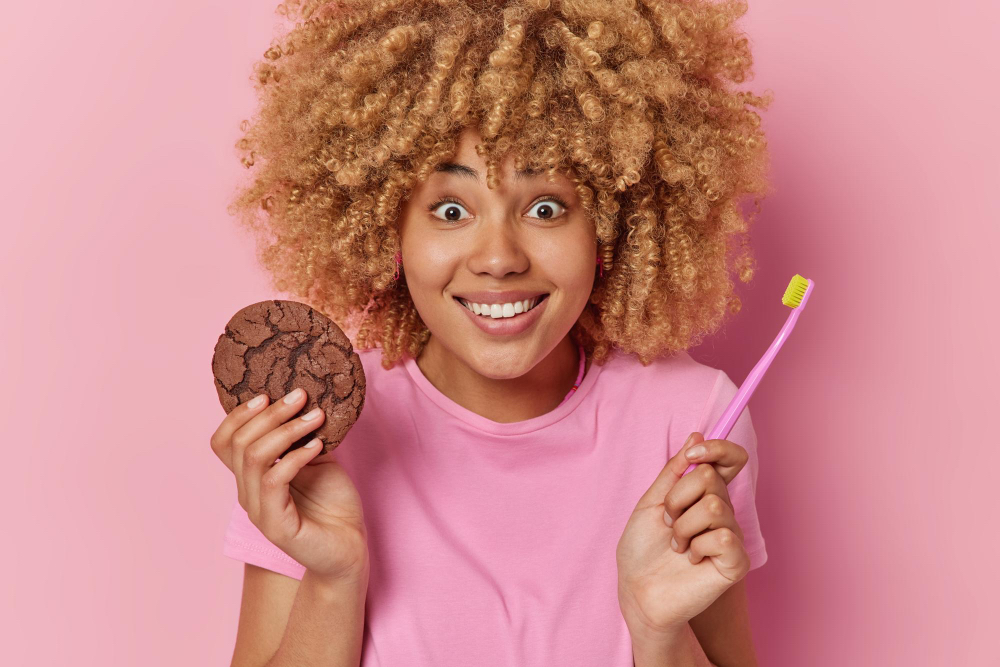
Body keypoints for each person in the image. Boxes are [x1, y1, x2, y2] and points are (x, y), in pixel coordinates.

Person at [210, 1, 773, 665]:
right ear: (389, 226)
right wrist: (335, 580)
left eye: (545, 207)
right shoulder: (315, 430)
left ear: (612, 223)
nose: (499, 256)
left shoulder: (696, 426)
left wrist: (658, 630)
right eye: (451, 209)